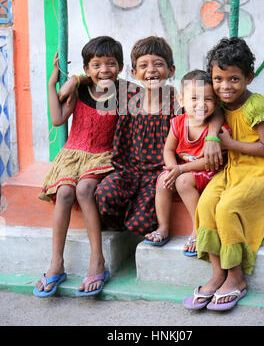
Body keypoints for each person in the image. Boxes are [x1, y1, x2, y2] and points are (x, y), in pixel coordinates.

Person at [183, 37, 264, 312]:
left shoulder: (255, 105)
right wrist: (214, 135)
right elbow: (216, 117)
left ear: (249, 77)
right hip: (231, 170)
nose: (225, 87)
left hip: (258, 172)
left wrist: (227, 144)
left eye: (234, 79)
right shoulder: (223, 105)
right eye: (218, 79)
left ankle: (236, 277)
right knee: (206, 204)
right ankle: (217, 273)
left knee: (226, 208)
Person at [95, 37, 224, 236]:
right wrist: (76, 80)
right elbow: (99, 77)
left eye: (158, 64)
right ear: (134, 73)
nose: (151, 70)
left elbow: (215, 110)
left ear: (171, 70)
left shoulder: (178, 101)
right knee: (104, 194)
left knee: (142, 224)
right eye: (144, 65)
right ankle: (123, 221)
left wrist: (213, 136)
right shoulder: (126, 97)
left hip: (159, 174)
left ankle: (137, 220)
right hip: (128, 171)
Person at [34, 36, 124, 297]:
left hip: (101, 156)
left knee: (85, 189)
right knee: (63, 193)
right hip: (74, 154)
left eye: (110, 64)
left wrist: (77, 77)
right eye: (96, 65)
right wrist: (55, 82)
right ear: (86, 69)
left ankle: (97, 260)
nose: (104, 70)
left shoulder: (124, 94)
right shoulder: (79, 91)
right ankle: (56, 263)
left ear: (120, 67)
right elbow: (58, 118)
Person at [144, 70, 231, 253]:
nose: (201, 104)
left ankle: (198, 230)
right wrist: (171, 168)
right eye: (194, 98)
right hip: (185, 170)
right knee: (163, 180)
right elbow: (168, 149)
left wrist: (180, 169)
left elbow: (209, 162)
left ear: (216, 102)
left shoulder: (218, 131)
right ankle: (163, 227)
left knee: (182, 182)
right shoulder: (178, 123)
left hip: (210, 172)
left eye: (207, 99)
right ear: (181, 101)